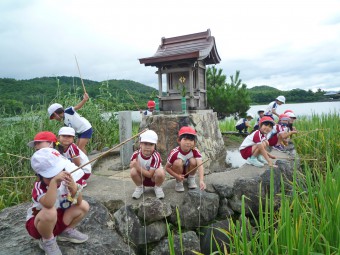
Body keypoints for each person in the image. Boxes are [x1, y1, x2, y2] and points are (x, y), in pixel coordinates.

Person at [26, 147, 89, 255]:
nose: (57, 176)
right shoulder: (39, 186)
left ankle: (65, 231)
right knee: (50, 212)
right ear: (39, 177)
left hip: (59, 217)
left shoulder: (67, 180)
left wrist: (74, 188)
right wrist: (54, 183)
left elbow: (78, 202)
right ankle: (47, 240)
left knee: (84, 205)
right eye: (50, 176)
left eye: (59, 171)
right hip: (40, 225)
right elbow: (49, 204)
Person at [165, 126, 206, 192]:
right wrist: (176, 176)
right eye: (185, 139)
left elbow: (200, 165)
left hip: (189, 171)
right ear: (179, 140)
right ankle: (179, 182)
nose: (188, 142)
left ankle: (191, 178)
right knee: (178, 162)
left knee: (193, 161)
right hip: (178, 173)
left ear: (194, 142)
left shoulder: (195, 151)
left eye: (191, 140)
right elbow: (167, 168)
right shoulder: (174, 153)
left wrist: (201, 180)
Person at [130, 130, 165, 199]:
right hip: (142, 178)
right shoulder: (136, 154)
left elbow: (150, 175)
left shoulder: (156, 156)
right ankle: (140, 187)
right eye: (145, 144)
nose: (148, 147)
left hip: (154, 179)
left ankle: (157, 187)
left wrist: (137, 166)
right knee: (133, 171)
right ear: (140, 144)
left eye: (151, 144)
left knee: (160, 172)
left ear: (155, 145)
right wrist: (133, 165)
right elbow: (131, 166)